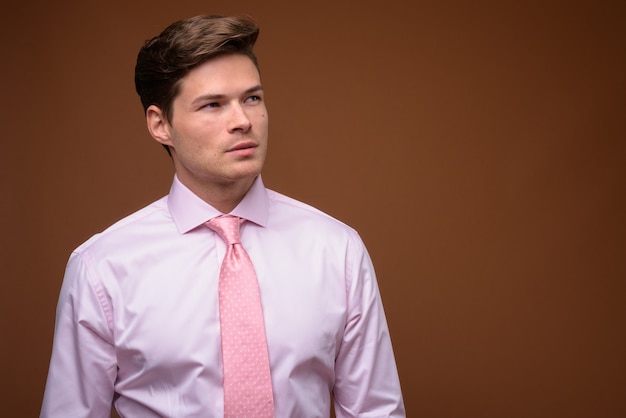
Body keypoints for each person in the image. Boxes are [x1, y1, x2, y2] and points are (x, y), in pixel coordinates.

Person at [40, 15, 405, 417]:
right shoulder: (102, 269)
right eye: (213, 105)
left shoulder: (337, 251)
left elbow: (376, 410)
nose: (243, 121)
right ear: (161, 124)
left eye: (252, 98)